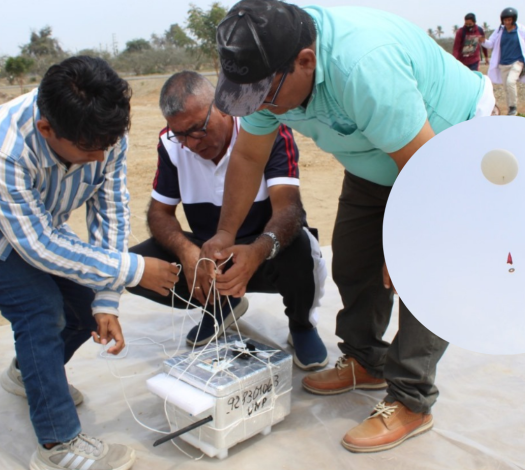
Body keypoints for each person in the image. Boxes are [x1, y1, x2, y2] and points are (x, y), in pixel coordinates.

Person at [202, 0, 496, 453]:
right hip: (375, 154)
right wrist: (225, 233)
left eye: (264, 96)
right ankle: (366, 359)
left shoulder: (362, 65)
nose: (256, 106)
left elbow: (427, 168)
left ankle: (412, 398)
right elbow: (248, 155)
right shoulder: (264, 73)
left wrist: (411, 245)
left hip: (443, 145)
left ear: (306, 62)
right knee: (354, 258)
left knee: (424, 274)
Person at [0, 56, 179, 470]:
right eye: (89, 151)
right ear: (46, 129)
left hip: (32, 224)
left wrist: (107, 299)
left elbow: (110, 212)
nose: (99, 158)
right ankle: (58, 444)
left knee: (81, 311)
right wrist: (134, 270)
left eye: (106, 147)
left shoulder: (102, 131)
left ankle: (28, 374)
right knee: (39, 308)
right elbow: (38, 246)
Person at [127, 71, 328, 370]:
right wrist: (187, 251)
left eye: (198, 129)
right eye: (179, 134)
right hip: (213, 259)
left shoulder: (263, 130)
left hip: (264, 254)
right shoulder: (171, 145)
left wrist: (258, 251)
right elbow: (159, 213)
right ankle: (219, 307)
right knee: (136, 265)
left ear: (223, 107)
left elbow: (288, 209)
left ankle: (301, 325)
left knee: (300, 246)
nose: (191, 143)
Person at [479, 7, 525, 116]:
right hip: (503, 64)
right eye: (505, 20)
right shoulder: (499, 31)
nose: (507, 22)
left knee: (511, 82)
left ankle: (513, 107)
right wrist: (483, 41)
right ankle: (510, 111)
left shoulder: (521, 30)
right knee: (506, 87)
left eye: (509, 20)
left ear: (513, 20)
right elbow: (491, 44)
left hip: (517, 62)